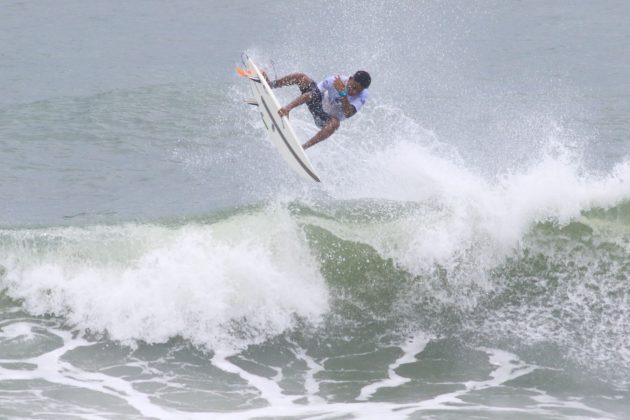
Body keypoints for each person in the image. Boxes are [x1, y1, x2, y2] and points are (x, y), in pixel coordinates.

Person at [265, 70, 371, 149]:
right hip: (317, 106)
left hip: (325, 120)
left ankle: (303, 147)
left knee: (335, 123)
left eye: (357, 90)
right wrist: (288, 108)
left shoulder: (362, 96)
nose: (353, 91)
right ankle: (271, 84)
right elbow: (312, 94)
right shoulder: (335, 81)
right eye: (352, 86)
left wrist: (343, 93)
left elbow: (348, 113)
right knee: (302, 77)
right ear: (350, 79)